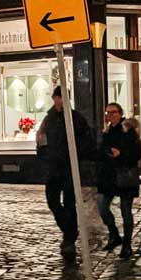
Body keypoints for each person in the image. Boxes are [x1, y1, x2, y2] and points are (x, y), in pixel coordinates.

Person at [36, 86, 94, 262]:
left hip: (70, 168)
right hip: (53, 168)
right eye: (59, 97)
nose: (61, 100)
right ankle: (69, 231)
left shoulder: (76, 118)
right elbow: (41, 140)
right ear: (54, 98)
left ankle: (69, 240)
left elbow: (86, 140)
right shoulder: (49, 119)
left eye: (64, 97)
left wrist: (77, 156)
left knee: (69, 203)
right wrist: (43, 154)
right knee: (52, 201)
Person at [96, 102, 141, 259]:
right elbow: (101, 150)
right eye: (107, 113)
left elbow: (137, 153)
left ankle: (127, 244)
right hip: (108, 176)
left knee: (125, 211)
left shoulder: (128, 131)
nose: (110, 116)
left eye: (113, 112)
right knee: (102, 207)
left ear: (120, 113)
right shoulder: (107, 131)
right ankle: (114, 234)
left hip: (125, 176)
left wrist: (121, 154)